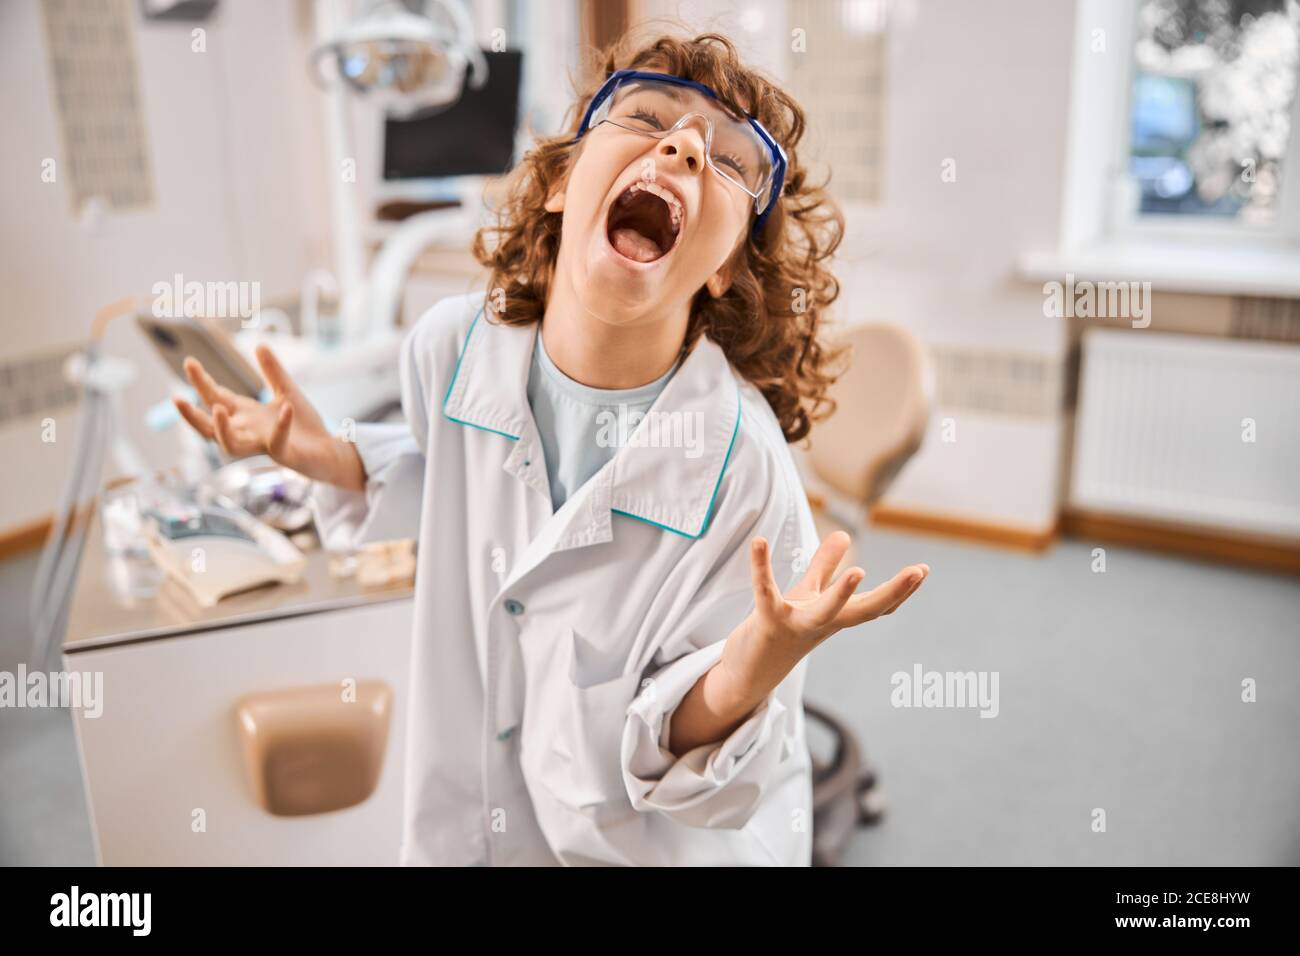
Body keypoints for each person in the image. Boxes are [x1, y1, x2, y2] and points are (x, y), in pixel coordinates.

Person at [173, 31, 929, 866]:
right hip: (468, 818)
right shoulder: (452, 348)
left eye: (727, 162)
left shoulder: (743, 475)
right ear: (565, 182)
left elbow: (690, 755)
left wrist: (756, 665)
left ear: (724, 268)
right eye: (648, 117)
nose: (681, 146)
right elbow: (456, 483)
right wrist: (337, 460)